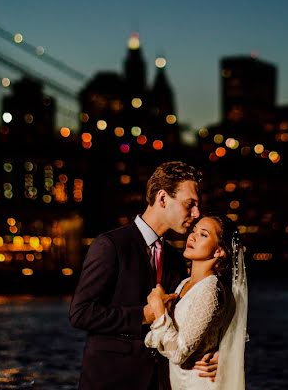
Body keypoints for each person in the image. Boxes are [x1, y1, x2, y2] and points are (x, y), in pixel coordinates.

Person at [69, 161, 219, 390]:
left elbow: (190, 318)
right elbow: (80, 313)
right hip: (110, 380)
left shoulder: (176, 259)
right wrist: (143, 315)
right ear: (162, 198)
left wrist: (216, 353)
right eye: (190, 204)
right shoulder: (110, 245)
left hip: (159, 382)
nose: (196, 213)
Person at [144, 214, 248, 390]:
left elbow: (178, 353)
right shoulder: (184, 284)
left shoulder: (210, 289)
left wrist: (159, 310)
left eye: (203, 234)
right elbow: (165, 343)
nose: (192, 237)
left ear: (218, 251)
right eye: (194, 231)